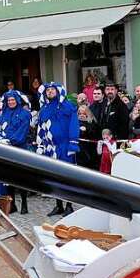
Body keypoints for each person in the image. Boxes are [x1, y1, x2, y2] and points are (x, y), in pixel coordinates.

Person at [37, 82, 79, 215]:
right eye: (48, 90)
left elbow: (74, 125)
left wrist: (73, 142)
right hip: (51, 148)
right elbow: (41, 128)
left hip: (65, 147)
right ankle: (58, 205)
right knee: (54, 178)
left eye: (52, 90)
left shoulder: (68, 106)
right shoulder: (44, 109)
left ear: (58, 91)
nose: (50, 92)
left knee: (67, 177)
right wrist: (41, 145)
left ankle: (69, 205)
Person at [0, 90, 32, 214]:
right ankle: (12, 204)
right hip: (6, 149)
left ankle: (24, 204)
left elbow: (23, 131)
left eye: (13, 100)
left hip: (19, 149)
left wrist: (10, 140)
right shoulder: (3, 113)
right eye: (9, 100)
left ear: (17, 100)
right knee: (8, 178)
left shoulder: (25, 114)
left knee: (22, 178)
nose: (11, 102)